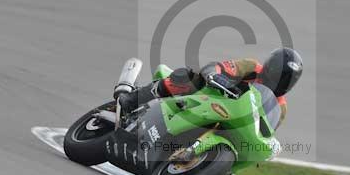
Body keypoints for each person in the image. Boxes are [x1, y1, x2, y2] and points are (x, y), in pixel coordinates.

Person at [115, 48, 303, 128]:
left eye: (287, 80)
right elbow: (220, 67)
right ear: (271, 66)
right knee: (191, 78)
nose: (281, 82)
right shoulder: (252, 67)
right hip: (209, 97)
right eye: (280, 74)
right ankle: (132, 101)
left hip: (233, 122)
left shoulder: (281, 108)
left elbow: (265, 131)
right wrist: (215, 75)